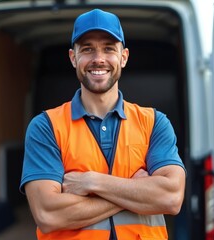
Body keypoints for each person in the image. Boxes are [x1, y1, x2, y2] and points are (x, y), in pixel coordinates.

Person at [20, 8, 186, 240]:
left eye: (109, 48)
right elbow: (48, 215)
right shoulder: (46, 127)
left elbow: (171, 198)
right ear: (73, 57)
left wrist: (92, 182)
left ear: (124, 57)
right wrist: (136, 191)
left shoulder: (154, 123)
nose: (98, 59)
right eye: (87, 49)